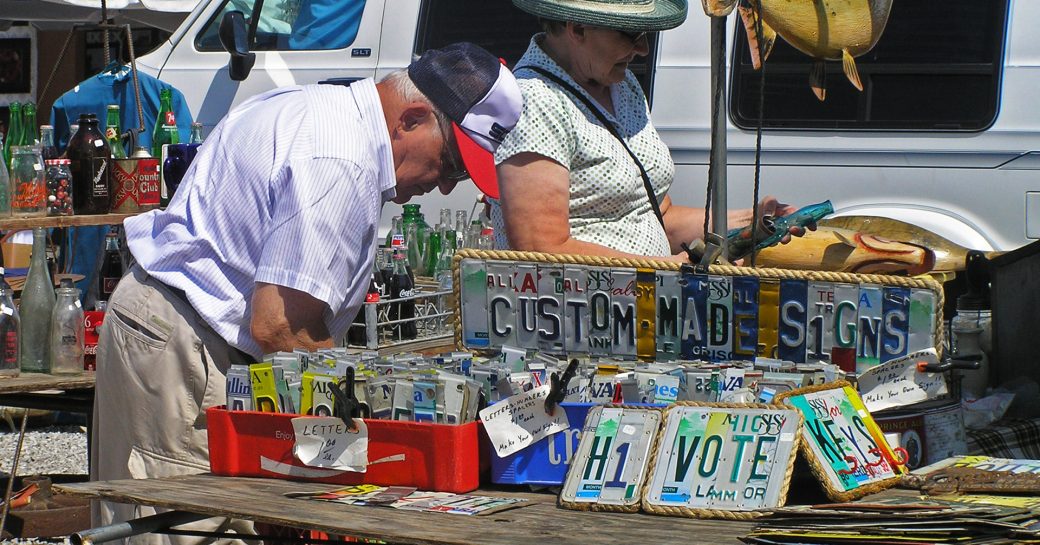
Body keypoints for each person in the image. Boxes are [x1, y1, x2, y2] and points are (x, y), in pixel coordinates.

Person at [92, 42, 522, 542]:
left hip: (178, 327)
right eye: (450, 165)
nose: (446, 186)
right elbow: (280, 325)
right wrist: (369, 410)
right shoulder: (341, 157)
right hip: (189, 343)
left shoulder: (322, 108)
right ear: (412, 117)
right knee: (182, 524)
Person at [489, 0, 805, 261]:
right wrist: (664, 269)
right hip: (579, 322)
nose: (642, 48)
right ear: (578, 28)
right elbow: (540, 248)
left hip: (636, 313)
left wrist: (754, 220)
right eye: (630, 33)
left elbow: (657, 215)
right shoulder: (535, 99)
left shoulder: (622, 85)